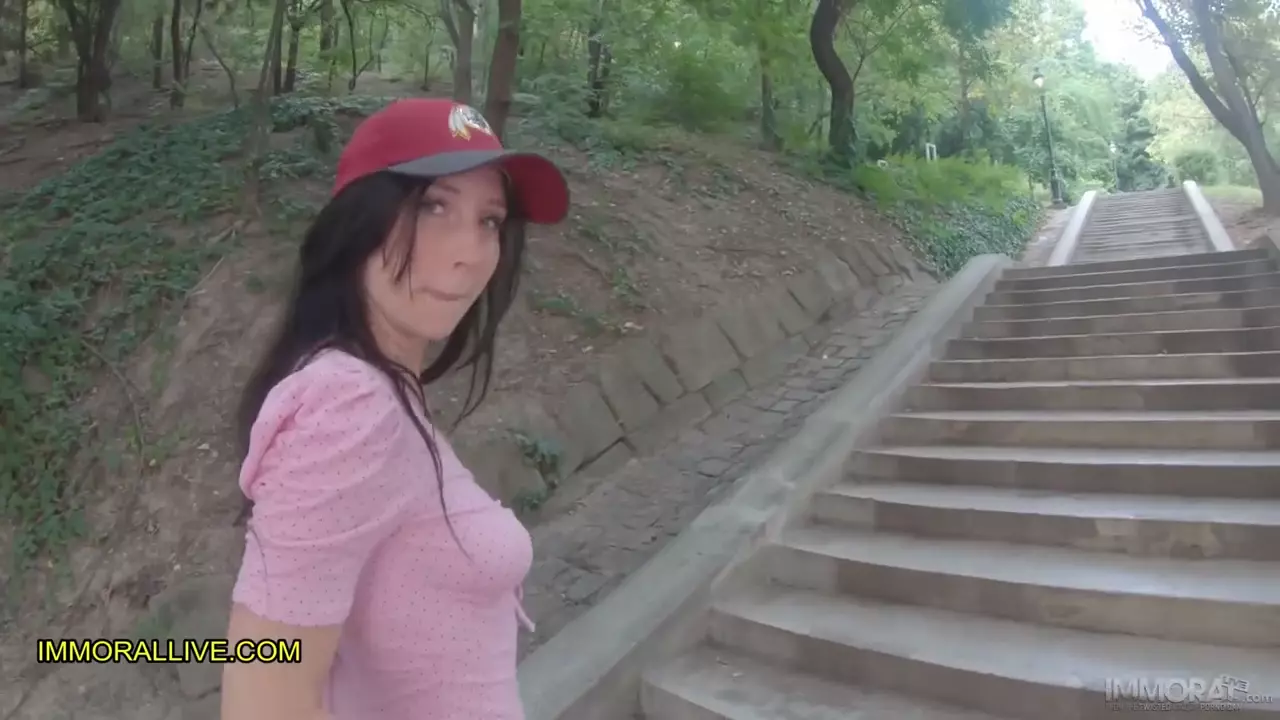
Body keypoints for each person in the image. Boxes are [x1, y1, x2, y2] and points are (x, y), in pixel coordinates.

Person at [220, 98, 569, 720]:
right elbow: (266, 703)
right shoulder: (347, 407)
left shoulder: (385, 392)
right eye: (433, 207)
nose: (470, 251)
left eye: (490, 220)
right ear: (358, 224)